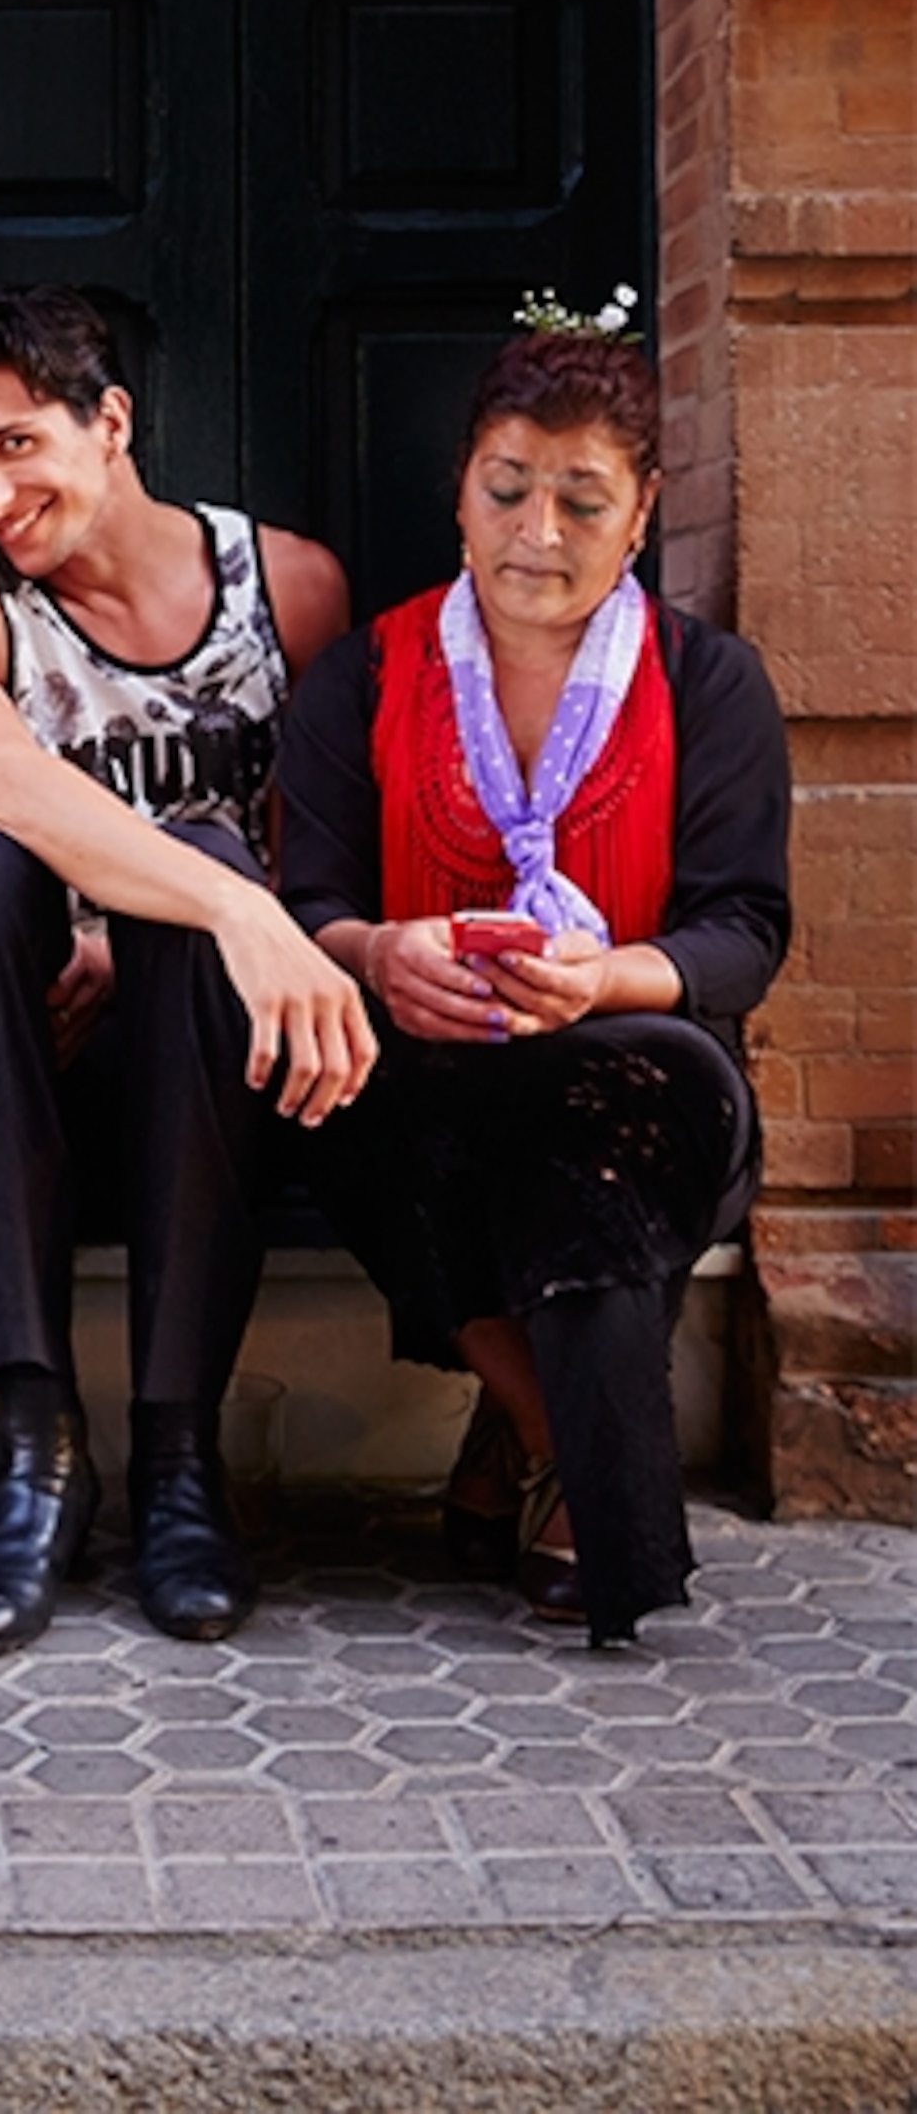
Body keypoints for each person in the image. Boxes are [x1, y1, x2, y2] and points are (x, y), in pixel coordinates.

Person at [274, 317, 790, 1645]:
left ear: (643, 512)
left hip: (631, 1072)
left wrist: (613, 974)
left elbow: (745, 931)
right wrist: (380, 956)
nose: (537, 536)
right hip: (425, 1069)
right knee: (330, 1087)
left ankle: (535, 1448)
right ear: (459, 487)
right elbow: (308, 903)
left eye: (582, 499)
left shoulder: (707, 684)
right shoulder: (367, 676)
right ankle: (573, 1445)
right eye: (507, 489)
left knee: (610, 1121)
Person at [0, 287, 375, 1658]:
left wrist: (223, 914)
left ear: (111, 421)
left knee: (207, 873)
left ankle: (177, 1457)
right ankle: (38, 1451)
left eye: (16, 446)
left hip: (218, 1081)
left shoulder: (293, 588)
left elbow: (313, 853)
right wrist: (228, 906)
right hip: (26, 1068)